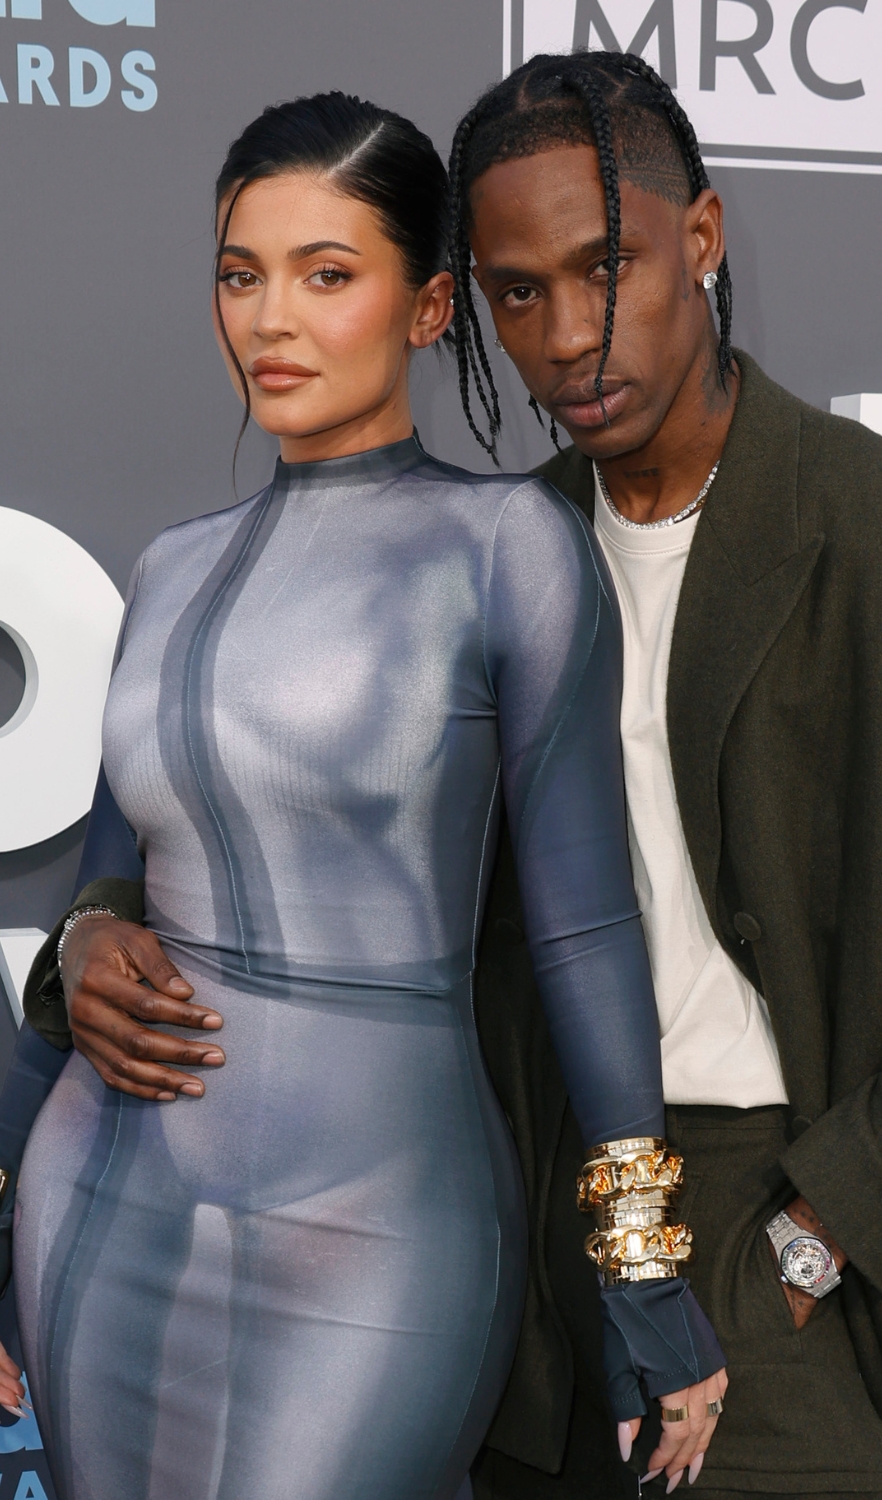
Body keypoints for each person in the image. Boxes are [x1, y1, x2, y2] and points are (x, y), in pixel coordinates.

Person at [19, 48, 882, 1500]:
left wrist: (813, 1234)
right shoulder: (492, 536)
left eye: (608, 269)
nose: (569, 336)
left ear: (703, 239)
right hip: (503, 1193)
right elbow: (244, 818)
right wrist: (93, 928)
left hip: (754, 1204)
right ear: (464, 306)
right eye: (519, 294)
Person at [0, 86, 730, 1499]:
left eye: (326, 275)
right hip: (102, 1205)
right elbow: (105, 882)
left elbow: (584, 929)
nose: (270, 321)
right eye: (241, 275)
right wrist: (72, 973)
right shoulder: (169, 568)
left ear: (429, 305)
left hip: (377, 1235)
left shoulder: (505, 547)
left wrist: (641, 1259)